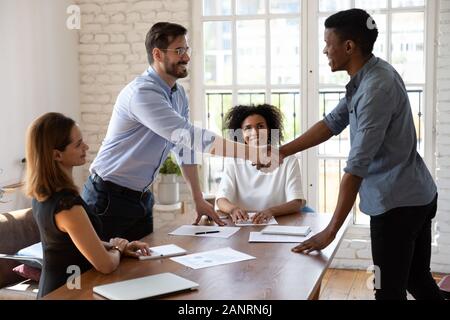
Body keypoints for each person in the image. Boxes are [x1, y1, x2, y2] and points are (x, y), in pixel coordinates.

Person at [278, 9, 443, 300]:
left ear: (349, 46)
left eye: (328, 43)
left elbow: (355, 170)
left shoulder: (375, 89)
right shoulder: (369, 75)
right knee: (416, 280)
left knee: (387, 292)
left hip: (398, 207)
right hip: (416, 195)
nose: (325, 50)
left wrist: (330, 233)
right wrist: (281, 151)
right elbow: (331, 123)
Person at [82, 22, 278, 241]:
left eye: (187, 50)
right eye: (179, 51)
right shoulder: (143, 93)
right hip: (108, 197)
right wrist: (253, 153)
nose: (186, 57)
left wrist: (197, 198)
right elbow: (191, 137)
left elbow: (183, 147)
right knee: (104, 272)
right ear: (157, 54)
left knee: (140, 268)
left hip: (141, 198)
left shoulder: (178, 94)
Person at [25, 113, 151, 298]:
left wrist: (118, 247)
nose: (86, 147)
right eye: (78, 144)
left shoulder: (45, 194)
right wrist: (116, 249)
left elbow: (72, 244)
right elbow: (106, 265)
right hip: (65, 292)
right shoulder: (67, 206)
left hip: (62, 288)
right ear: (57, 155)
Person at [216, 104, 306, 224]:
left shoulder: (288, 159)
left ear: (269, 130)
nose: (255, 132)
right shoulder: (234, 160)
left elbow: (296, 203)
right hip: (243, 228)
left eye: (260, 126)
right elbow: (221, 199)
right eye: (248, 128)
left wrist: (270, 211)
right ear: (241, 134)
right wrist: (233, 209)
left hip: (279, 227)